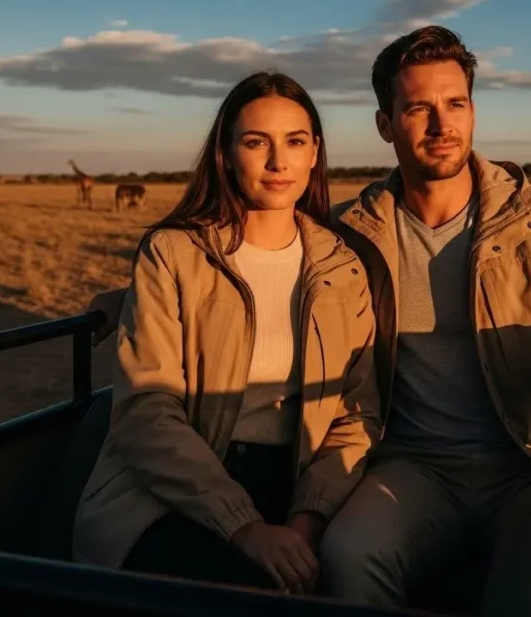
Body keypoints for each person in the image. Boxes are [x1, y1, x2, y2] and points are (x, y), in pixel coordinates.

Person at [84, 26, 531, 609]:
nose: (441, 125)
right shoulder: (353, 235)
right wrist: (131, 295)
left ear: (474, 112)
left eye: (456, 104)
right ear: (385, 123)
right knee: (351, 555)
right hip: (410, 467)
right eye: (417, 109)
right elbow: (251, 266)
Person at [72, 71, 380, 597]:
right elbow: (146, 410)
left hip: (296, 484)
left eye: (295, 142)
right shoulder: (173, 254)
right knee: (240, 590)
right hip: (171, 486)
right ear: (226, 151)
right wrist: (244, 527)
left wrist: (308, 520)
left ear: (314, 153)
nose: (278, 162)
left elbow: (356, 415)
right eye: (257, 141)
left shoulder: (342, 267)